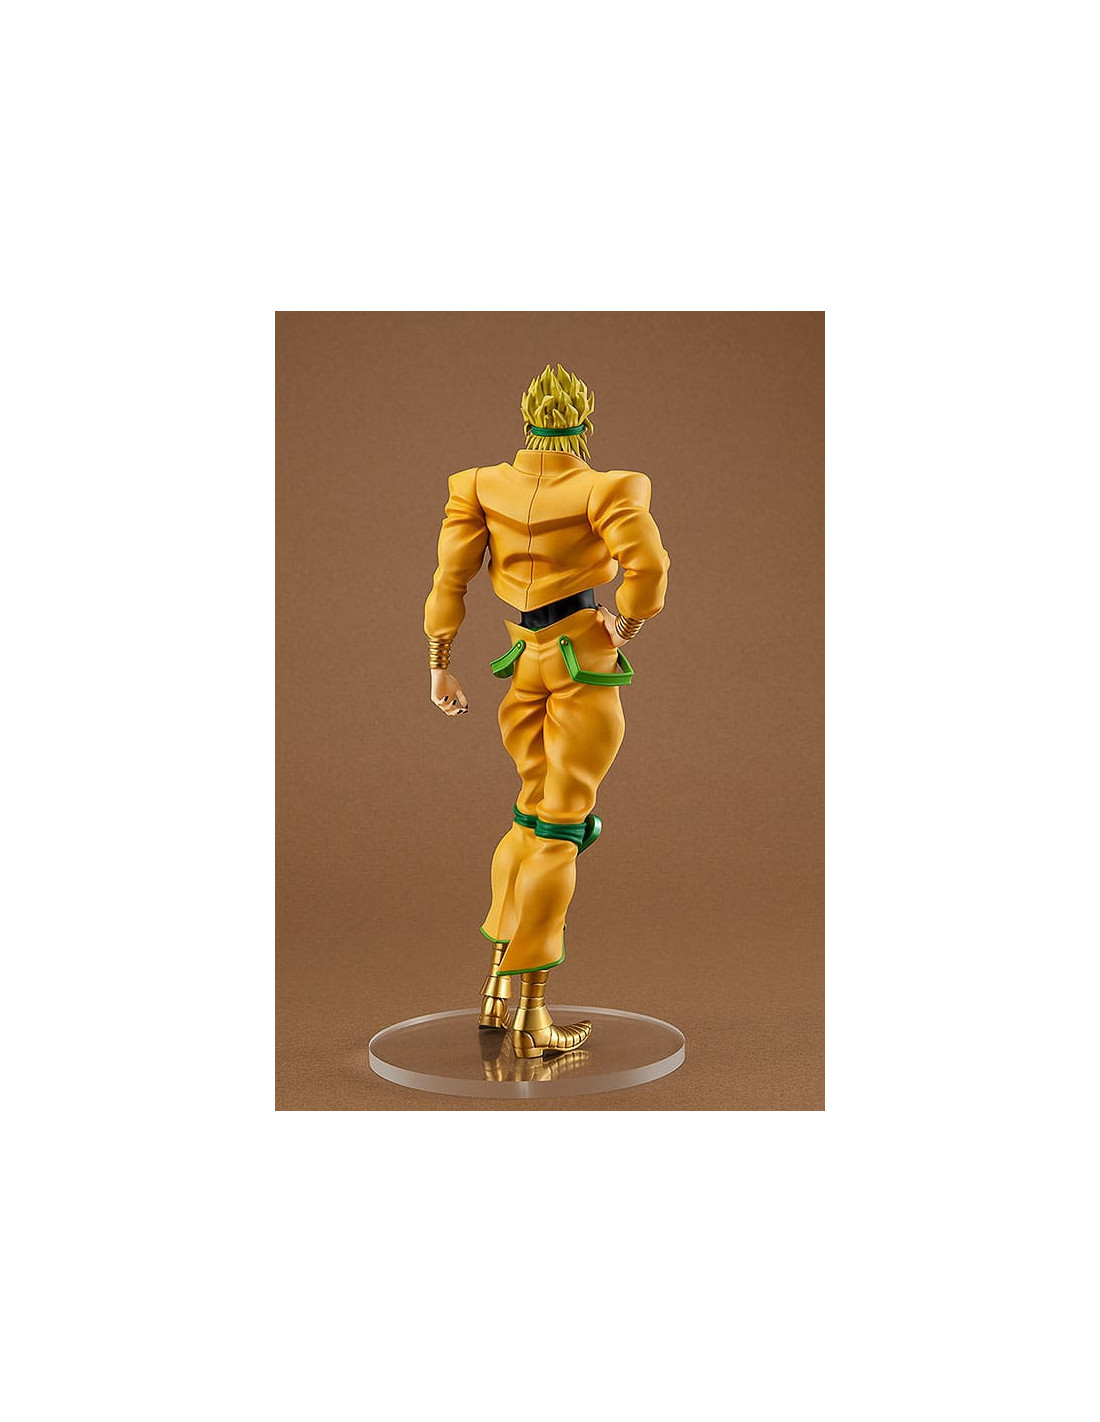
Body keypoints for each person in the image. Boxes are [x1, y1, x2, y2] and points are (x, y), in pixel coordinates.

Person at [423, 364, 670, 1059]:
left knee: (528, 820)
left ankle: (496, 991)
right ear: (583, 422)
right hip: (580, 665)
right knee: (560, 829)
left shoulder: (478, 485)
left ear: (527, 420)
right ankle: (532, 1017)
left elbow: (449, 580)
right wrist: (627, 625)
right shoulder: (608, 488)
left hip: (524, 664)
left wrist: (440, 665)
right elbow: (649, 571)